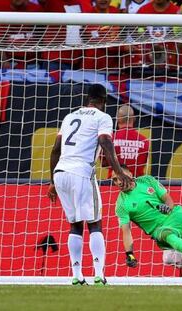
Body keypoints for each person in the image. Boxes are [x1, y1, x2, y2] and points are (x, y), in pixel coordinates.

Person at [47, 84, 131, 286]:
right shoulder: (102, 117)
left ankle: (77, 275)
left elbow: (56, 149)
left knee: (75, 224)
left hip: (61, 173)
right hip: (81, 172)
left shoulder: (69, 117)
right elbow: (105, 142)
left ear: (88, 99)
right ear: (102, 101)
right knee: (95, 222)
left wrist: (52, 181)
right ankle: (99, 274)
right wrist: (119, 171)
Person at [102, 105, 149, 178]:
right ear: (134, 119)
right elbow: (143, 163)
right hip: (136, 184)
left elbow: (104, 163)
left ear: (117, 119)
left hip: (113, 185)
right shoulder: (144, 140)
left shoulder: (110, 139)